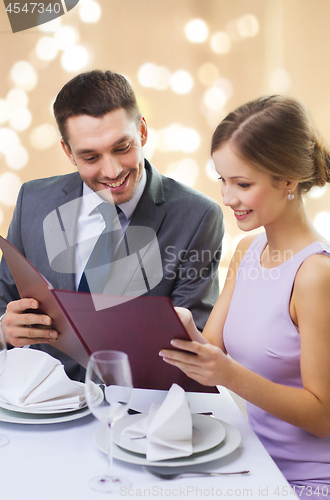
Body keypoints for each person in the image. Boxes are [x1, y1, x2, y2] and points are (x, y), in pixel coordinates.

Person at [0, 70, 224, 381]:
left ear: (142, 132)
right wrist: (4, 329)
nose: (112, 170)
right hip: (37, 407)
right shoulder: (32, 200)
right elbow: (3, 298)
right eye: (90, 157)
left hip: (137, 414)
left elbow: (194, 343)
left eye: (122, 148)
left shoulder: (198, 217)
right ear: (68, 152)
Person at [160, 95, 330, 499]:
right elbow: (211, 349)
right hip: (247, 460)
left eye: (242, 184)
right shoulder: (247, 252)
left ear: (288, 180)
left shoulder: (315, 275)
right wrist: (174, 327)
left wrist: (230, 375)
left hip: (304, 481)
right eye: (223, 180)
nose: (226, 197)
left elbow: (324, 415)